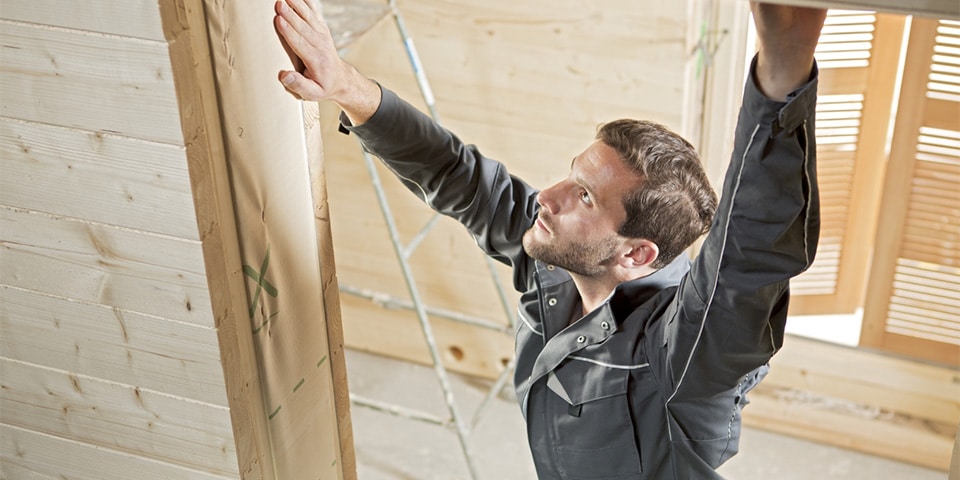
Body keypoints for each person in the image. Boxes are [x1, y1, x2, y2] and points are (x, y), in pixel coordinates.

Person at [274, 1, 826, 478]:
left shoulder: (684, 355)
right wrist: (346, 85)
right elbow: (460, 177)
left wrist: (783, 76)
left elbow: (743, 264)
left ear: (636, 253)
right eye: (571, 174)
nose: (548, 196)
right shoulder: (563, 265)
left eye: (585, 197)